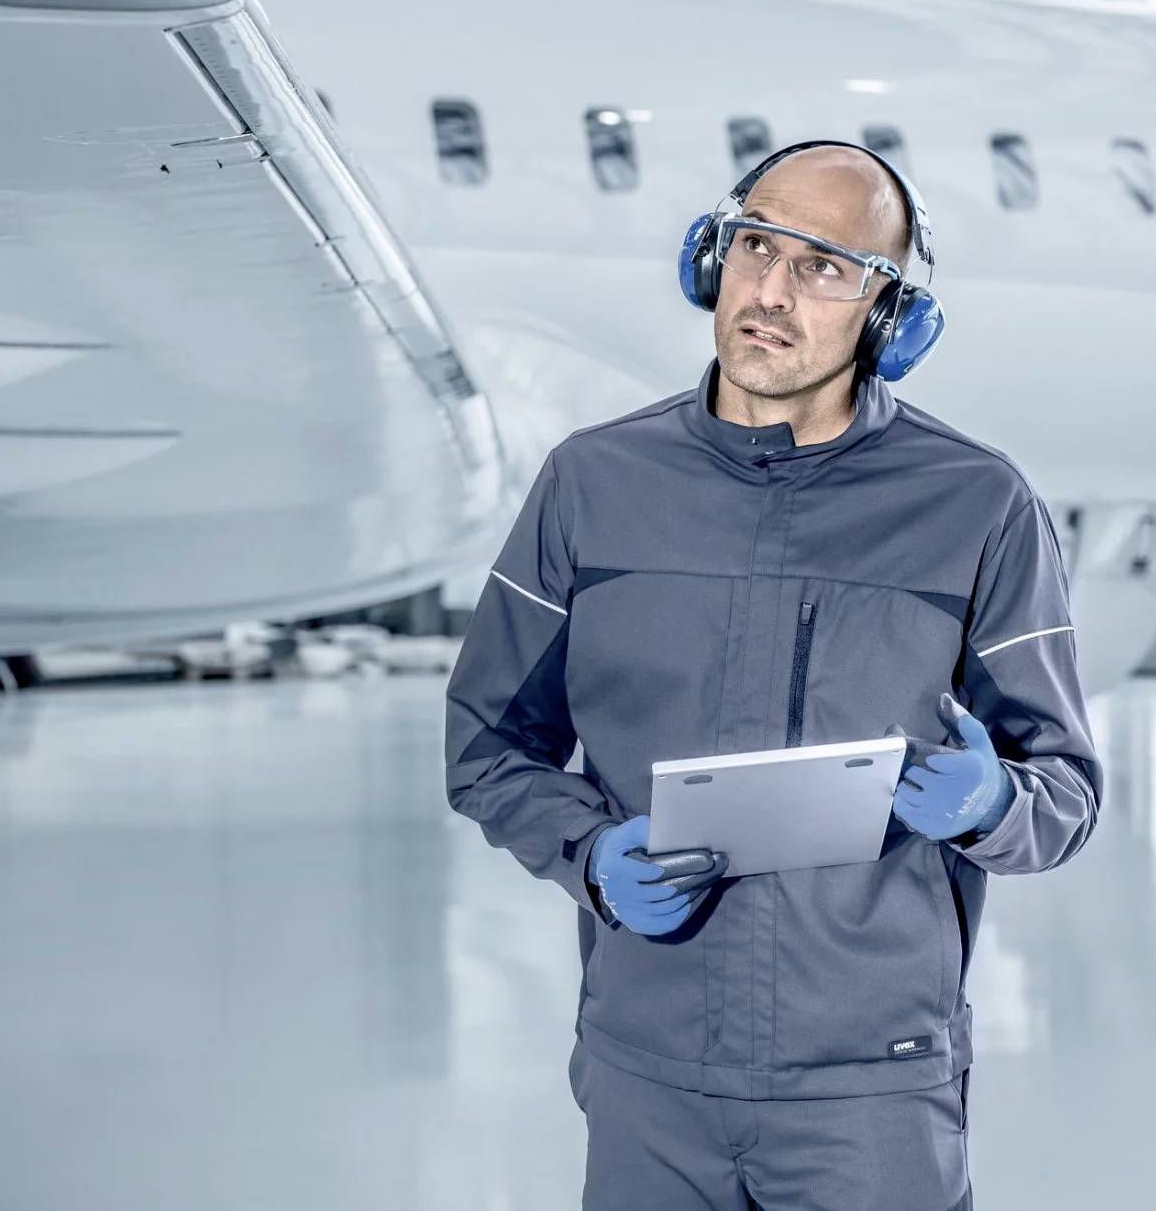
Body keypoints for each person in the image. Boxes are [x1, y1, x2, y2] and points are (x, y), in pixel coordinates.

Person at [443, 139, 1103, 1210]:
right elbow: (486, 744)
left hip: (873, 1078)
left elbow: (1064, 791)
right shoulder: (592, 483)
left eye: (823, 267)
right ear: (711, 260)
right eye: (754, 245)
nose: (769, 291)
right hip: (646, 1066)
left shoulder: (977, 506)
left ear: (888, 314)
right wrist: (588, 850)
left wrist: (994, 802)